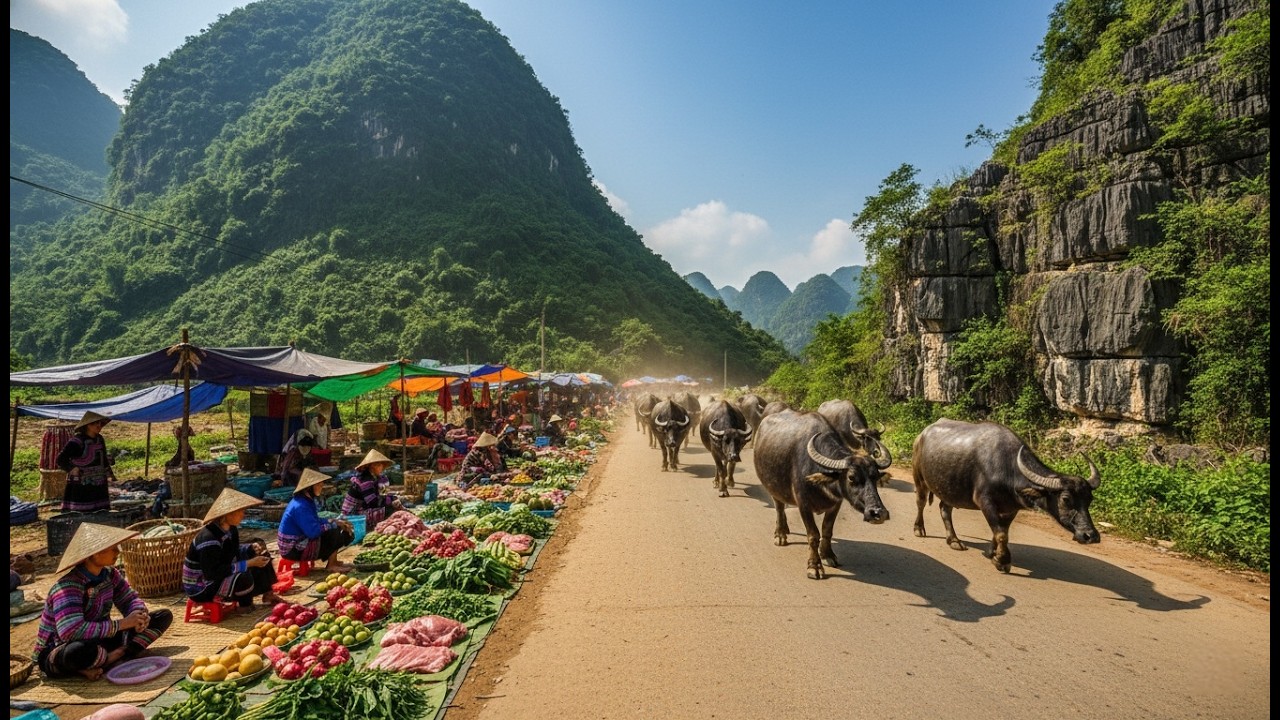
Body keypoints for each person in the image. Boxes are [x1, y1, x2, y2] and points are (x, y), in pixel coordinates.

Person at [33, 523, 173, 680]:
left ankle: (116, 655)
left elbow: (129, 599)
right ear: (93, 554)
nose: (117, 552)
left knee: (163, 616)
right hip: (62, 648)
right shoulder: (68, 587)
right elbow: (70, 631)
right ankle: (107, 659)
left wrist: (139, 614)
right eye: (111, 548)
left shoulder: (110, 575)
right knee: (76, 652)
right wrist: (122, 624)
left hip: (101, 638)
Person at [183, 488, 283, 609]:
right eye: (240, 511)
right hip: (202, 586)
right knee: (243, 576)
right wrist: (248, 563)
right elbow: (212, 573)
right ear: (228, 514)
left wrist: (250, 549)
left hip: (220, 573)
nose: (243, 515)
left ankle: (268, 594)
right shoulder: (209, 539)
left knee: (263, 557)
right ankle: (245, 606)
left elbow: (232, 552)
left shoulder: (231, 529)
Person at [277, 468, 354, 573]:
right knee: (336, 532)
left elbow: (316, 520)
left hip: (299, 542)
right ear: (308, 488)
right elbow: (313, 532)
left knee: (338, 527)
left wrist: (334, 521)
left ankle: (334, 561)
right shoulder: (301, 506)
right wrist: (334, 525)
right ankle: (331, 565)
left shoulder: (306, 501)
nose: (321, 487)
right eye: (318, 485)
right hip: (292, 549)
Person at [56, 411, 117, 513]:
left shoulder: (99, 439)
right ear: (87, 425)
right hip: (81, 482)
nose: (99, 426)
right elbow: (61, 459)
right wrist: (72, 469)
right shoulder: (76, 441)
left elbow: (103, 459)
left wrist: (110, 475)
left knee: (100, 511)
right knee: (82, 511)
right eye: (95, 423)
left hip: (99, 481)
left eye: (100, 423)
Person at [341, 450, 401, 527]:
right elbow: (373, 503)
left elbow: (383, 495)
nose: (382, 468)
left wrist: (391, 495)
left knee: (394, 504)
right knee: (390, 509)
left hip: (365, 508)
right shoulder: (365, 481)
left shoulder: (378, 478)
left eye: (382, 465)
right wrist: (392, 499)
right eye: (379, 465)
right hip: (354, 514)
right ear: (372, 466)